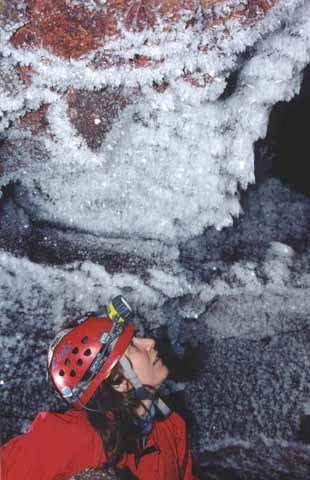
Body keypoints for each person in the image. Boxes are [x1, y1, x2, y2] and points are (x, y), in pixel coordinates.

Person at [0, 296, 198, 479]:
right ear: (118, 381)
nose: (150, 343)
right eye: (133, 346)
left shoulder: (172, 427)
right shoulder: (73, 436)